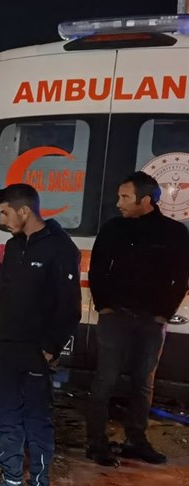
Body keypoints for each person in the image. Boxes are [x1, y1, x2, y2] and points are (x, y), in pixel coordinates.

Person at [0, 183, 82, 486]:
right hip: (3, 349)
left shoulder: (61, 248)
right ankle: (10, 483)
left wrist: (49, 349)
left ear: (24, 211)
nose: (2, 220)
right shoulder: (14, 246)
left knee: (37, 422)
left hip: (34, 352)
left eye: (5, 213)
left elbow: (69, 307)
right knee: (7, 419)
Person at [86, 171, 189, 466]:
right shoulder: (113, 228)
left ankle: (136, 440)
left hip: (151, 322)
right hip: (115, 317)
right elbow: (97, 269)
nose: (118, 203)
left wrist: (163, 314)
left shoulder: (174, 233)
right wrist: (104, 306)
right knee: (104, 380)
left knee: (143, 382)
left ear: (145, 200)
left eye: (125, 197)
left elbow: (181, 277)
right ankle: (96, 443)